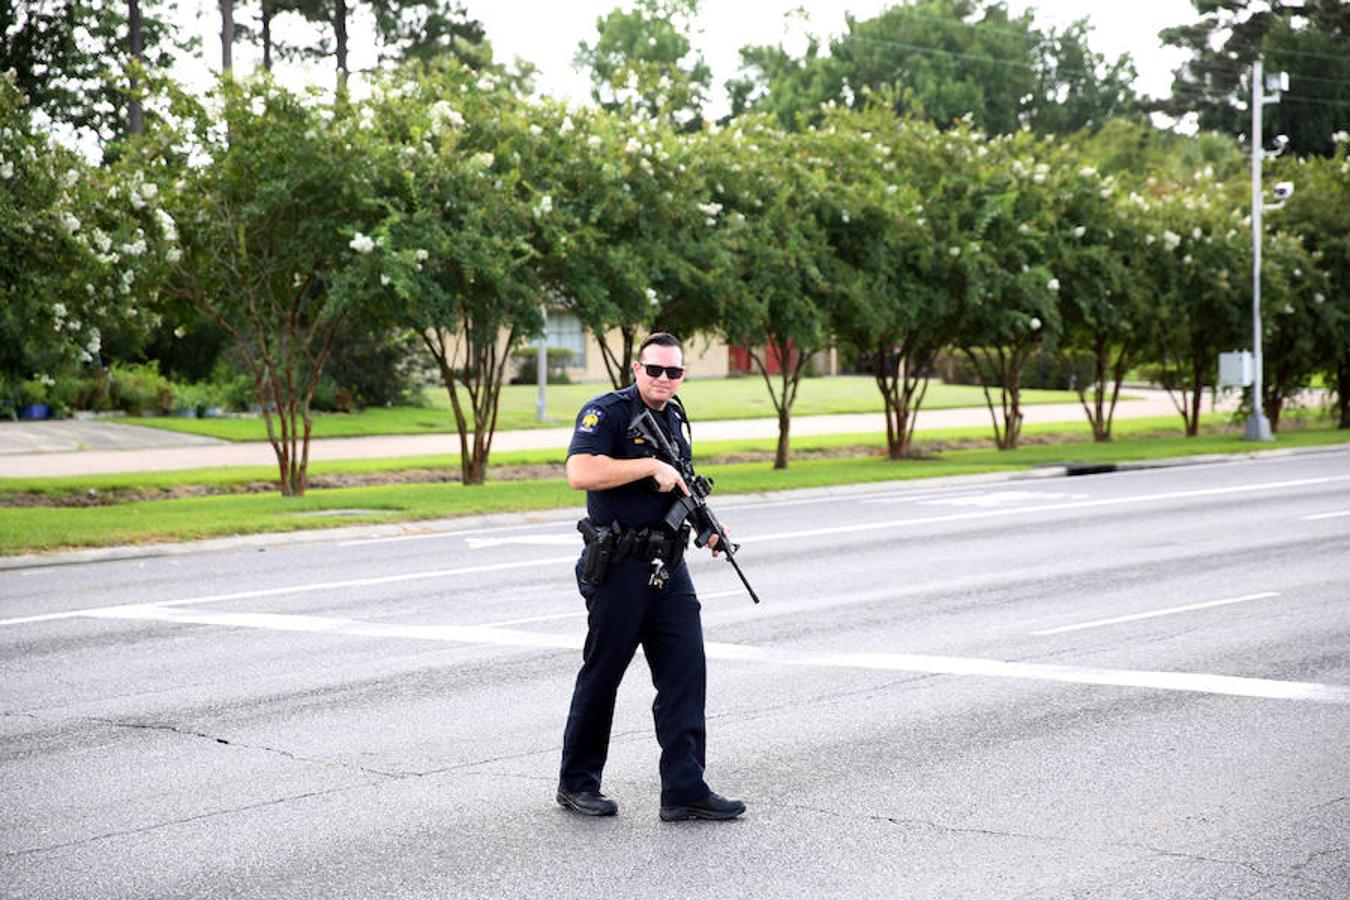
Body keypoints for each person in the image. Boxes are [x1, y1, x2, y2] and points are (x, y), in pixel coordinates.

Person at [556, 332, 746, 822]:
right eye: (655, 370)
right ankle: (578, 784)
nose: (664, 379)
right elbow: (580, 472)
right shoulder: (608, 412)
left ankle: (685, 789)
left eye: (674, 372)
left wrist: (706, 526)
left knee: (686, 671)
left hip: (669, 567)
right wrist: (648, 465)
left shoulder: (674, 419)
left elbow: (678, 481)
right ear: (636, 369)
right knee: (603, 676)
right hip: (619, 567)